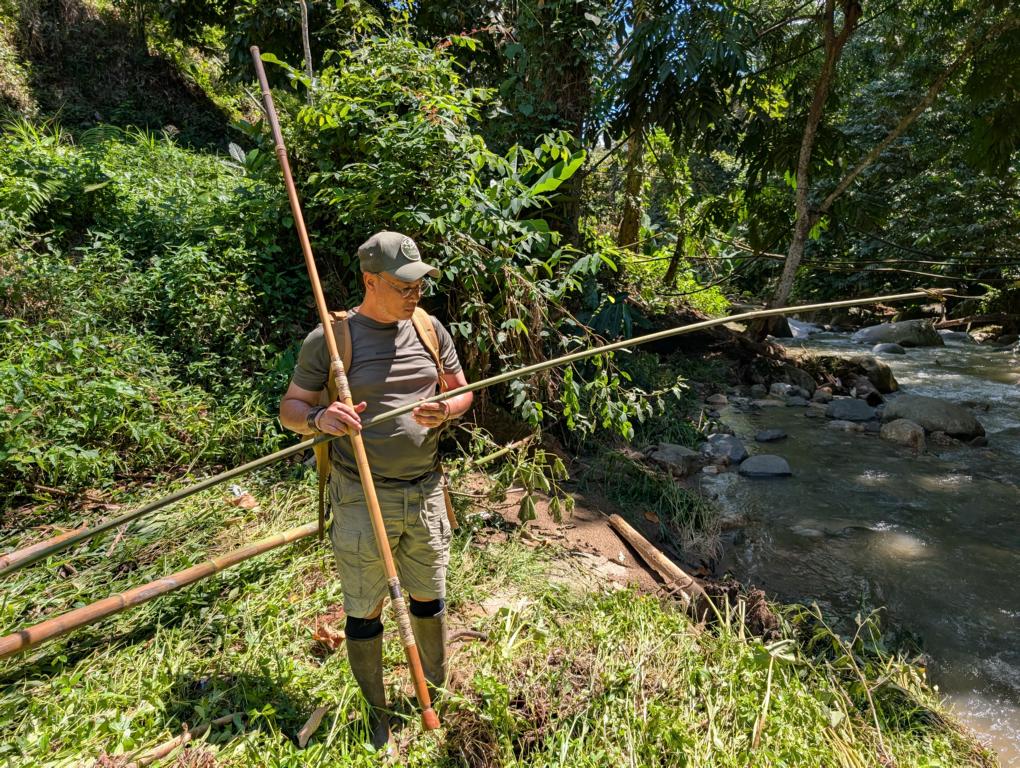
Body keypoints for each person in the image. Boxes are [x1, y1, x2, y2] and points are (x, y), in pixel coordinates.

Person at [279, 231, 473, 749]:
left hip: (427, 490)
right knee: (364, 607)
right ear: (370, 281)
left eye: (420, 283)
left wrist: (446, 409)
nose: (415, 294)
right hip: (362, 496)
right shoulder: (332, 338)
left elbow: (462, 392)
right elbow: (290, 411)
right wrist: (322, 417)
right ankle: (376, 712)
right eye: (403, 285)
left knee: (429, 597)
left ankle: (432, 692)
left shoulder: (431, 330)